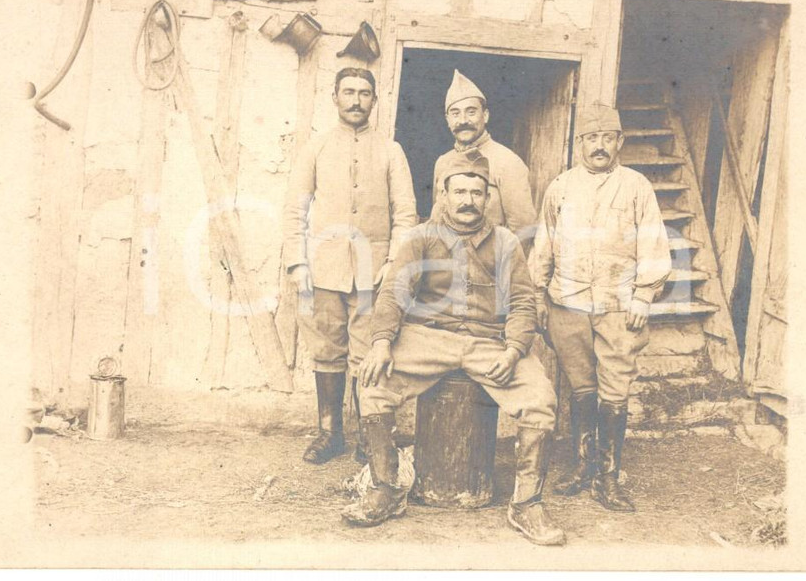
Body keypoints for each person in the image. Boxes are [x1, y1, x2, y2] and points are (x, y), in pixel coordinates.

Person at [343, 154, 565, 546]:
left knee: (541, 398)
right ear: (443, 194)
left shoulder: (506, 243)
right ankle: (386, 488)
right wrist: (380, 343)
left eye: (477, 192)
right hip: (428, 337)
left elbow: (523, 303)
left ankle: (526, 504)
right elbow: (394, 294)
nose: (468, 200)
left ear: (488, 197)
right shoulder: (420, 237)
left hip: (490, 341)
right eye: (459, 191)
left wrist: (514, 350)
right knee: (373, 383)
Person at [531, 103, 672, 512]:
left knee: (615, 389)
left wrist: (645, 295)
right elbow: (545, 244)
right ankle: (583, 468)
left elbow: (653, 243)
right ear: (579, 144)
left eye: (607, 138)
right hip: (568, 303)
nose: (599, 146)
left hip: (618, 305)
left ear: (619, 142)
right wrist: (539, 293)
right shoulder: (560, 187)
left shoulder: (636, 186)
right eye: (591, 139)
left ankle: (608, 479)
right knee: (581, 387)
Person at [282, 68, 417, 464]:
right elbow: (296, 209)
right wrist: (297, 263)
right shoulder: (317, 147)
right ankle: (330, 433)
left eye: (364, 93)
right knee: (326, 350)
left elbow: (406, 213)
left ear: (375, 99)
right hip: (322, 268)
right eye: (348, 92)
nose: (356, 100)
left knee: (367, 353)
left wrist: (393, 262)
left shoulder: (391, 150)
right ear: (335, 97)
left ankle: (366, 437)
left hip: (372, 273)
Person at [431, 70, 537, 245]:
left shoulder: (508, 162)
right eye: (455, 113)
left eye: (471, 112)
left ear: (485, 115)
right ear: (447, 119)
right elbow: (437, 220)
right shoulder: (443, 162)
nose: (463, 120)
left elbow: (523, 230)